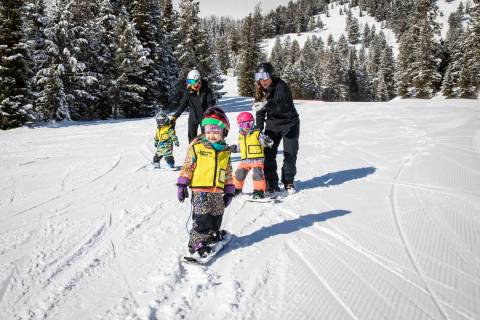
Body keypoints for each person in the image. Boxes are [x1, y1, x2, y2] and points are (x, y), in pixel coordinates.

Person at [176, 106, 235, 258]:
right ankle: (196, 243)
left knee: (216, 214)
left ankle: (211, 235)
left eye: (216, 131)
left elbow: (227, 172)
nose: (212, 135)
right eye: (208, 131)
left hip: (217, 191)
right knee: (202, 218)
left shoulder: (225, 152)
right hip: (200, 189)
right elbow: (188, 165)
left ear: (224, 132)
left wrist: (229, 190)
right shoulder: (197, 148)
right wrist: (182, 184)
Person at [254, 62, 300, 194]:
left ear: (272, 75)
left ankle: (288, 181)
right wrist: (258, 129)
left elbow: (280, 104)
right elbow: (260, 112)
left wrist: (266, 103)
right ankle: (271, 183)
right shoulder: (260, 90)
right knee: (268, 153)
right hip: (273, 124)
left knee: (290, 153)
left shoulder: (281, 86)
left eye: (265, 76)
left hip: (290, 123)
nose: (263, 80)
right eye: (259, 77)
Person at [230, 111, 273, 199]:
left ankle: (259, 191)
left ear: (252, 123)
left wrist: (266, 141)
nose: (245, 127)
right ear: (239, 126)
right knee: (239, 174)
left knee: (258, 175)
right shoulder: (241, 136)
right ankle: (236, 189)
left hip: (257, 160)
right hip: (245, 160)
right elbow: (241, 147)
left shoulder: (257, 134)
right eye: (242, 125)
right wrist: (234, 148)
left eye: (248, 124)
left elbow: (264, 141)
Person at [171, 69, 216, 143]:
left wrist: (210, 115)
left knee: (206, 138)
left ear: (199, 80)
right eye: (189, 82)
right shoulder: (188, 91)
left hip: (205, 118)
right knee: (191, 139)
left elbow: (210, 104)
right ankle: (192, 153)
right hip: (193, 117)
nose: (191, 84)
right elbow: (183, 104)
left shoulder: (206, 90)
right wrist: (175, 116)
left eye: (193, 82)